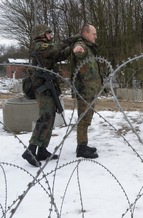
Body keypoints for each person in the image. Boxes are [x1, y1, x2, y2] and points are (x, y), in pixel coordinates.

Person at [22, 24, 75, 167]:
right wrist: (73, 39)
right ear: (41, 34)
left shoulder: (47, 49)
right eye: (48, 33)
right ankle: (31, 150)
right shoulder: (39, 46)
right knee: (45, 118)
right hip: (42, 89)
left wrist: (73, 47)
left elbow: (59, 54)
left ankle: (42, 150)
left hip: (48, 88)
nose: (51, 35)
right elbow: (57, 48)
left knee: (50, 118)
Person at [71, 23, 101, 158]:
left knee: (87, 118)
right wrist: (79, 49)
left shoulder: (90, 47)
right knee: (83, 119)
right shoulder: (82, 45)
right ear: (85, 34)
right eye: (93, 34)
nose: (96, 36)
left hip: (90, 90)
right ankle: (81, 148)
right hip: (84, 90)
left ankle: (83, 144)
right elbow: (79, 49)